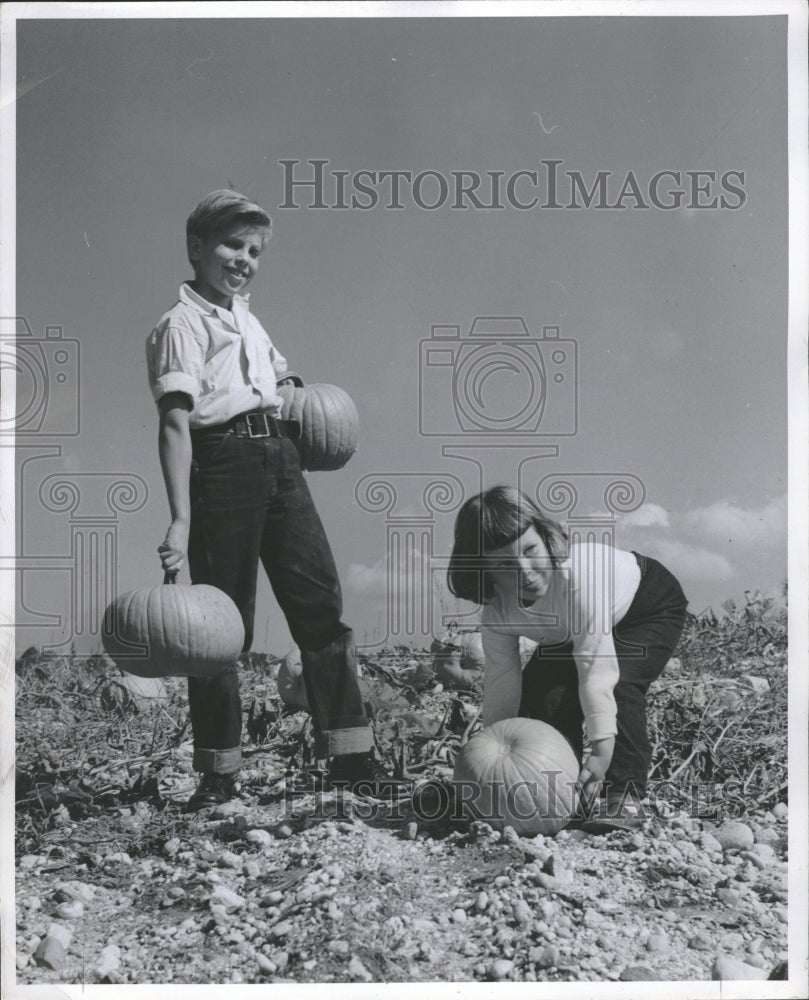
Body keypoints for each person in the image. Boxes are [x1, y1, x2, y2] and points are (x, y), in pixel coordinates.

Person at [146, 189, 391, 809]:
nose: (243, 259)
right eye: (232, 245)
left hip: (281, 459)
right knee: (221, 628)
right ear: (197, 248)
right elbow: (175, 425)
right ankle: (219, 775)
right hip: (222, 465)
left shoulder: (248, 320)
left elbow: (277, 380)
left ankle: (351, 759)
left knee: (320, 604)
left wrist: (305, 405)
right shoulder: (179, 326)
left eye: (254, 251)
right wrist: (181, 518)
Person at [447, 486, 688, 831]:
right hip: (568, 627)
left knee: (619, 684)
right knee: (542, 696)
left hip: (645, 606)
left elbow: (596, 672)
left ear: (546, 538)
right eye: (504, 563)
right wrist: (490, 761)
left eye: (531, 550)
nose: (526, 571)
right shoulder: (497, 615)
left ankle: (626, 797)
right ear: (483, 571)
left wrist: (602, 750)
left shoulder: (577, 581)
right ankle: (565, 794)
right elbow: (502, 688)